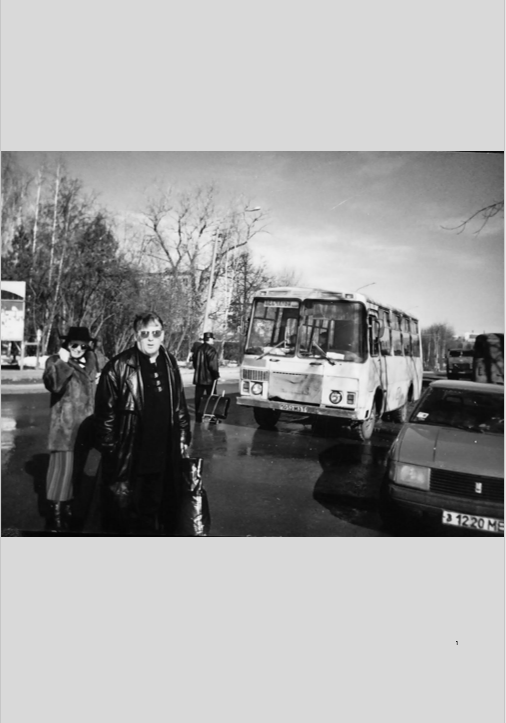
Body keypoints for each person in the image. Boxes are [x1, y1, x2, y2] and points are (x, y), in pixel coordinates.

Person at [94, 312, 191, 535]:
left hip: (164, 454)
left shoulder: (169, 362)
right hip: (131, 456)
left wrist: (184, 437)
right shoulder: (118, 367)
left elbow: (179, 405)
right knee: (126, 516)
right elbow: (104, 416)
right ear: (136, 336)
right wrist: (113, 452)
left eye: (155, 333)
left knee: (157, 512)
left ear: (163, 335)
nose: (150, 339)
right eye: (144, 333)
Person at [43, 326, 101, 531]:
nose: (78, 349)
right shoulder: (55, 362)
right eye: (74, 345)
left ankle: (68, 508)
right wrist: (63, 362)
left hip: (85, 430)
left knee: (75, 475)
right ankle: (56, 516)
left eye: (83, 346)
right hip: (65, 431)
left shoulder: (91, 363)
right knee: (61, 474)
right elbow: (54, 385)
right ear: (67, 344)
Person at [193, 331, 220, 423]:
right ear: (209, 339)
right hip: (209, 379)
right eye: (212, 339)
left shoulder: (198, 349)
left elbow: (194, 364)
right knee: (212, 398)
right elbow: (213, 366)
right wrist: (216, 376)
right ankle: (212, 416)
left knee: (198, 398)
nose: (213, 340)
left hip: (198, 379)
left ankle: (198, 417)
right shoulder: (211, 350)